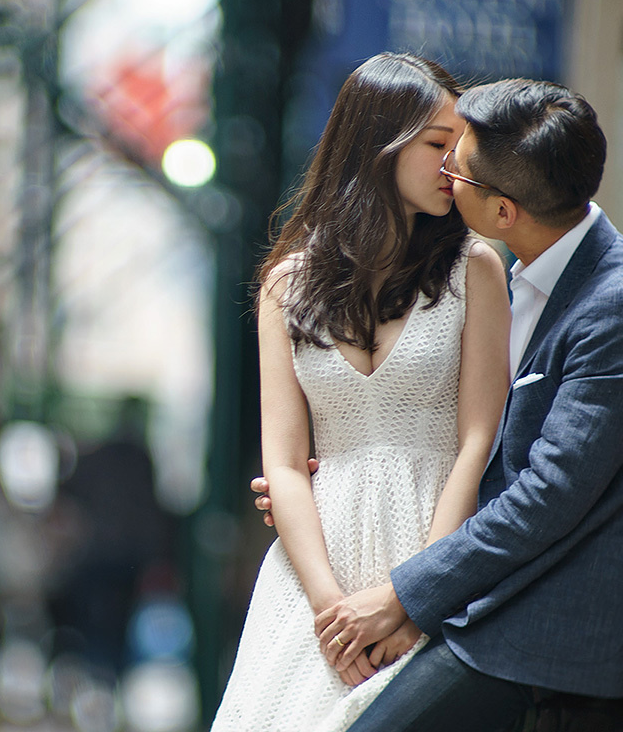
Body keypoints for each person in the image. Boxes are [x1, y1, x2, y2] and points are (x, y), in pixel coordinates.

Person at [254, 78, 623, 731]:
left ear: (503, 212)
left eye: (456, 165)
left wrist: (404, 599)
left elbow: (545, 493)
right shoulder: (543, 278)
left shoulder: (620, 305)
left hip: (559, 635)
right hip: (503, 608)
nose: (445, 174)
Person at [211, 53, 511, 732]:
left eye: (458, 146)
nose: (453, 165)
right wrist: (330, 614)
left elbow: (476, 442)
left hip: (433, 544)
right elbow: (283, 465)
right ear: (380, 143)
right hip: (315, 564)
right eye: (438, 144)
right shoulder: (286, 284)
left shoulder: (476, 271)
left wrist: (418, 599)